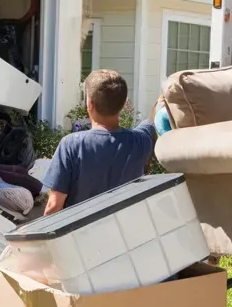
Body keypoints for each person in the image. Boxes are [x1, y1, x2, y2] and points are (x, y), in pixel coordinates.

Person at [41, 70, 170, 215]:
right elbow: (153, 120)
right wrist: (164, 100)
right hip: (124, 234)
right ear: (122, 105)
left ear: (90, 104)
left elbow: (54, 206)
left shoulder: (71, 145)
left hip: (81, 235)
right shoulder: (140, 141)